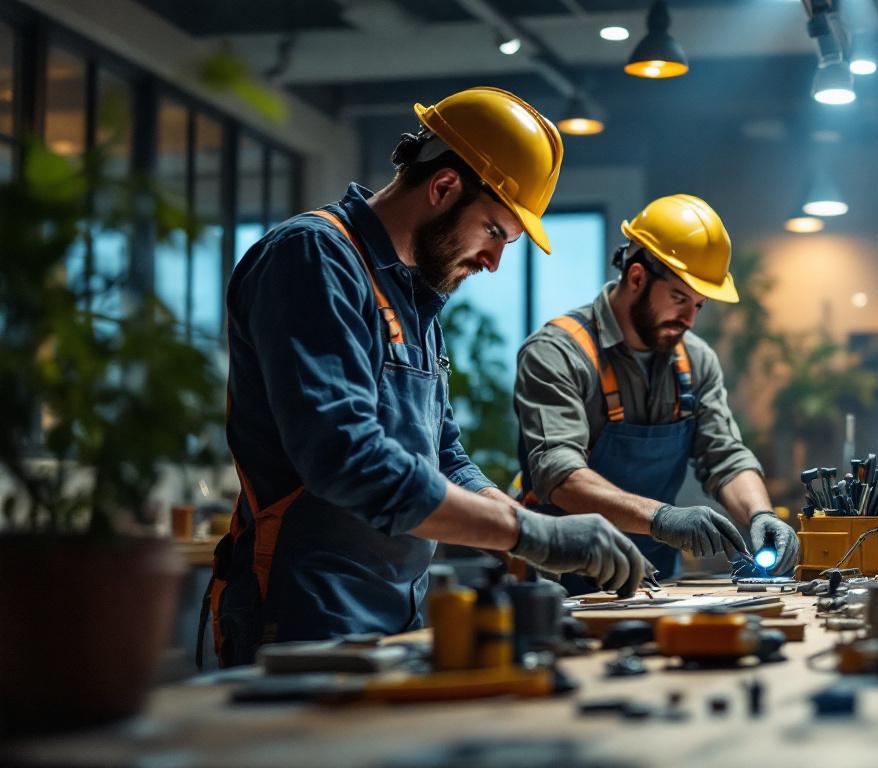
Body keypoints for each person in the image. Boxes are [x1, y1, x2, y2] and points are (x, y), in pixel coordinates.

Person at [207, 88, 646, 667]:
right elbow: (346, 457)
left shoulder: (416, 300)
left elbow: (445, 455)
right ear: (442, 188)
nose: (493, 262)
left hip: (396, 616)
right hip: (301, 618)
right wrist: (525, 533)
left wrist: (534, 526)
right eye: (494, 231)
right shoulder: (314, 258)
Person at [513, 194, 800, 592]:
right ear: (636, 278)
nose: (689, 319)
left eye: (699, 305)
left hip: (657, 584)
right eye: (680, 298)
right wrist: (662, 517)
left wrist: (760, 515)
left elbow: (725, 456)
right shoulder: (558, 353)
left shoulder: (695, 360)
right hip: (561, 584)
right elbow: (560, 477)